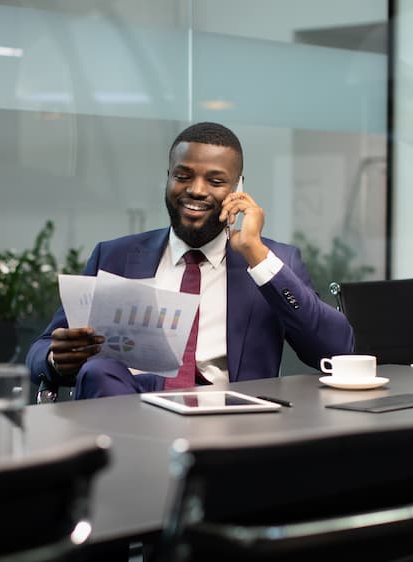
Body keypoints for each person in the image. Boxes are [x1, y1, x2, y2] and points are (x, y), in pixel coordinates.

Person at [26, 122, 354, 399]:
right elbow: (41, 350)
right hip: (130, 416)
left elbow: (336, 351)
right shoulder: (115, 256)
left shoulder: (273, 262)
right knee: (101, 370)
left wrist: (256, 255)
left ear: (238, 188)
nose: (196, 190)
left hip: (233, 427)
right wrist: (57, 359)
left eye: (215, 180)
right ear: (168, 178)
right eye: (183, 176)